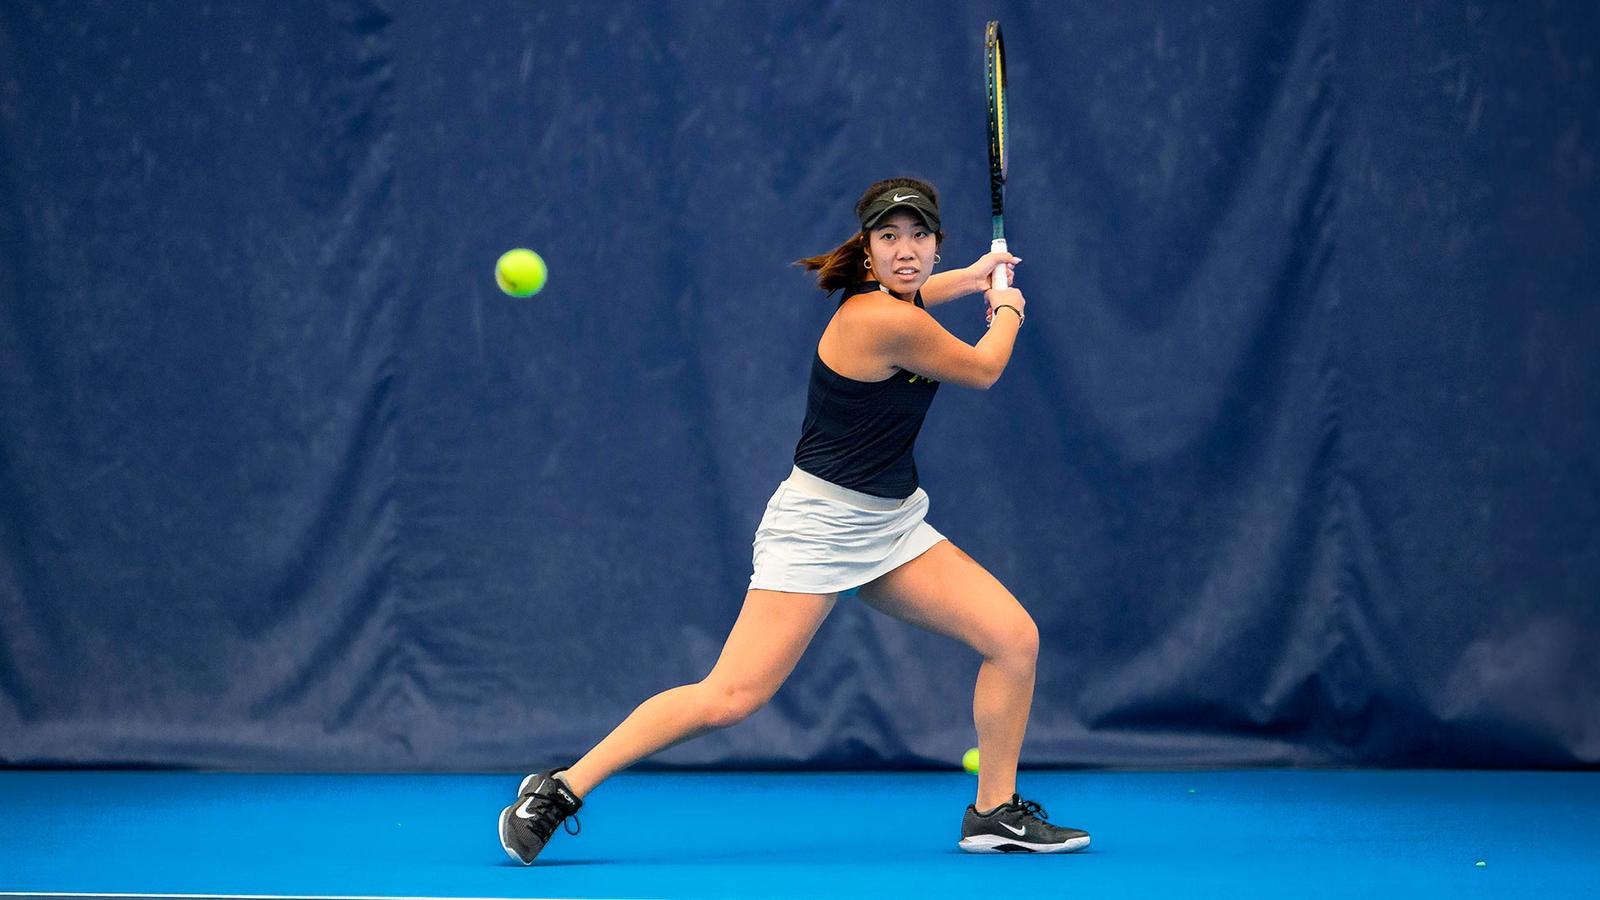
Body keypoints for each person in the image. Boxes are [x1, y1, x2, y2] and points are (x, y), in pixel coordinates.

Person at [499, 177, 1090, 863]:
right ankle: (560, 788)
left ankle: (993, 812)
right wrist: (1008, 306)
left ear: (934, 245)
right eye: (890, 237)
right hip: (817, 530)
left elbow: (922, 297)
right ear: (867, 254)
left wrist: (973, 277)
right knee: (729, 697)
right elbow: (985, 369)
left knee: (1013, 639)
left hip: (892, 526)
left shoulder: (897, 303)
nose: (907, 251)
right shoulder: (880, 320)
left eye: (920, 236)